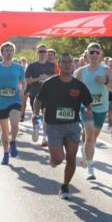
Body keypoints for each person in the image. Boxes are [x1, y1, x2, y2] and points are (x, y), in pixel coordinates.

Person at [37, 52, 94, 199]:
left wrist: (88, 111)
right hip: (54, 126)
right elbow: (38, 101)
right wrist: (36, 116)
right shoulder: (49, 83)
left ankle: (65, 186)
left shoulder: (78, 85)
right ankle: (54, 159)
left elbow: (88, 103)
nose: (67, 64)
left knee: (71, 156)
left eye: (70, 62)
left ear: (73, 65)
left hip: (72, 126)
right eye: (64, 62)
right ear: (59, 64)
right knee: (58, 160)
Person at [75, 42, 112, 180]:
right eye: (91, 52)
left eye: (97, 52)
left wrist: (105, 82)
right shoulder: (80, 72)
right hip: (85, 108)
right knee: (89, 136)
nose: (94, 54)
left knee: (92, 139)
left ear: (100, 54)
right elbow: (73, 91)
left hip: (101, 108)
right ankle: (90, 168)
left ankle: (85, 150)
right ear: (87, 54)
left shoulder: (106, 70)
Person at [0, 42, 26, 165]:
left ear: (13, 52)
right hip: (0, 102)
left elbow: (23, 82)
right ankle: (5, 154)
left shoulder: (18, 67)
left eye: (11, 50)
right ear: (2, 53)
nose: (9, 53)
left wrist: (22, 90)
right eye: (6, 51)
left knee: (15, 123)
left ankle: (13, 142)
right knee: (4, 131)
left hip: (14, 99)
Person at [24, 45, 55, 143]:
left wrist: (48, 77)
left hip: (48, 94)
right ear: (37, 52)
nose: (42, 53)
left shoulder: (51, 65)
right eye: (40, 51)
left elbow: (56, 77)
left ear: (46, 53)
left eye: (44, 51)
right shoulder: (32, 66)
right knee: (36, 115)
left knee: (46, 115)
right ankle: (36, 129)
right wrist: (38, 78)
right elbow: (27, 81)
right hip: (35, 93)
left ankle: (45, 137)